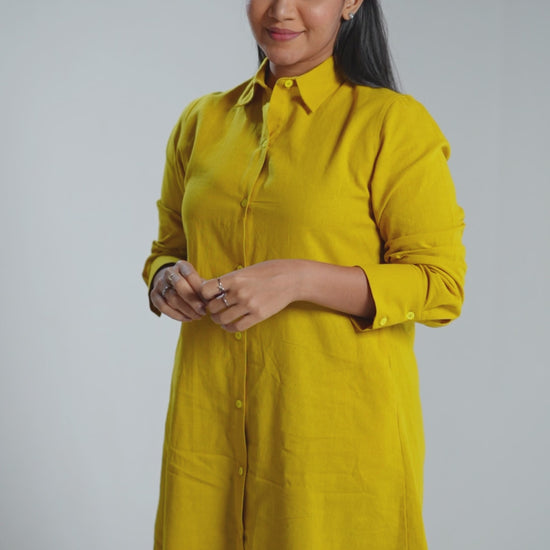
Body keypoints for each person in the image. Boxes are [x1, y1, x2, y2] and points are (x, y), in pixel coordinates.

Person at [142, 0, 466, 549]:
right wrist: (164, 279)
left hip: (333, 460)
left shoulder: (392, 124)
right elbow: (166, 250)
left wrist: (299, 279)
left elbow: (441, 285)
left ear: (351, 3)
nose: (280, 10)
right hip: (206, 446)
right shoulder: (202, 122)